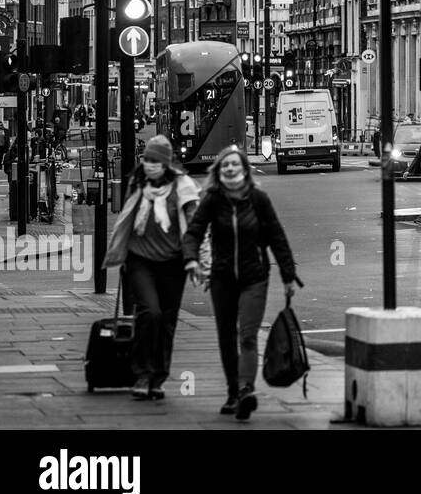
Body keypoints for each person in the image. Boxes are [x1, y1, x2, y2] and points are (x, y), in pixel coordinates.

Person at [183, 146, 301, 421]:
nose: (230, 169)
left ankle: (247, 389)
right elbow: (194, 233)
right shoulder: (212, 199)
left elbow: (276, 236)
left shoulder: (258, 199)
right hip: (222, 278)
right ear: (219, 170)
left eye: (235, 164)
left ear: (244, 169)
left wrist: (287, 275)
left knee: (247, 334)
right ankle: (233, 391)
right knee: (226, 336)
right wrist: (191, 260)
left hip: (254, 277)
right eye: (225, 166)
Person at [101, 135, 201, 401]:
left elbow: (194, 227)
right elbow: (126, 218)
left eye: (156, 161)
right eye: (147, 159)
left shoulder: (183, 186)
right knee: (150, 312)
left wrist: (194, 259)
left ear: (166, 164)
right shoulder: (138, 182)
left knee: (167, 321)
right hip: (140, 260)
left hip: (172, 263)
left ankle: (158, 377)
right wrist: (118, 252)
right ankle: (142, 372)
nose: (150, 164)